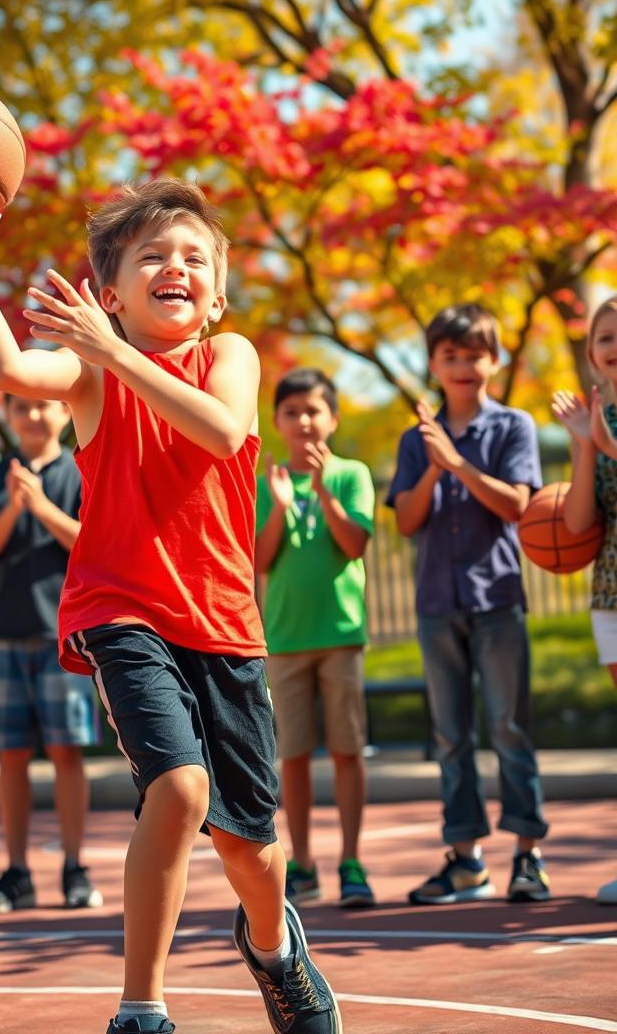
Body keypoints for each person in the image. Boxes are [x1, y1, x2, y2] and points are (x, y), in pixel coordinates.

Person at [0, 173, 341, 1034]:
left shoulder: (229, 358)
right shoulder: (90, 375)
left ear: (219, 292)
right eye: (151, 256)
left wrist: (118, 352)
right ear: (110, 295)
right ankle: (142, 1008)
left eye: (195, 257)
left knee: (250, 850)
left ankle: (275, 950)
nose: (176, 266)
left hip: (224, 621)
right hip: (120, 610)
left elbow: (227, 430)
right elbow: (7, 365)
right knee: (180, 788)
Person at [386, 303, 550, 905]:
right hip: (436, 604)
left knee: (510, 726)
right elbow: (405, 520)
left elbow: (518, 505)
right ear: (433, 363)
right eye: (450, 356)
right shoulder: (414, 440)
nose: (463, 366)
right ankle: (465, 860)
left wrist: (459, 465)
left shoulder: (513, 427)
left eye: (474, 355)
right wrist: (433, 470)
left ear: (494, 359)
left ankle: (528, 855)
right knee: (451, 735)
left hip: (497, 596)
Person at [0, 392, 103, 913]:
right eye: (20, 407)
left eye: (44, 405)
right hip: (0, 634)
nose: (33, 415)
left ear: (66, 411)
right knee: (11, 756)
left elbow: (93, 543)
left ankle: (74, 866)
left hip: (63, 635)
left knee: (67, 751)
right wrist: (15, 506)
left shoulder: (83, 470)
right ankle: (17, 871)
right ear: (8, 416)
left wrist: (41, 505)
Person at [256, 367, 375, 910]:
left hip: (340, 636)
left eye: (314, 411)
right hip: (283, 639)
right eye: (291, 412)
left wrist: (324, 492)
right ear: (277, 421)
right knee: (295, 756)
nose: (303, 422)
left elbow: (354, 544)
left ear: (333, 417)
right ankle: (302, 863)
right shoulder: (267, 483)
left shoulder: (351, 474)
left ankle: (351, 860)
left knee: (348, 751)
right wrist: (280, 505)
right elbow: (260, 559)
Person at [552, 295, 617, 908]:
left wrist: (603, 434)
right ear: (593, 355)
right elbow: (577, 520)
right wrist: (582, 442)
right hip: (612, 593)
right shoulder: (596, 420)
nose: (614, 344)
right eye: (605, 337)